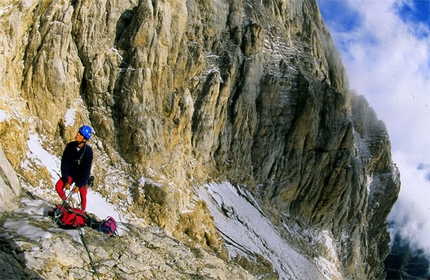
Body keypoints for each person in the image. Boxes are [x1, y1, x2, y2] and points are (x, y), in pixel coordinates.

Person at [55, 125, 93, 211]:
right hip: (71, 174)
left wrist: (78, 185)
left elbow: (86, 171)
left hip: (81, 177)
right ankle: (66, 204)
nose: (77, 134)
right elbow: (65, 164)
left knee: (83, 194)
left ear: (84, 139)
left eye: (80, 134)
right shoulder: (70, 146)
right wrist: (66, 180)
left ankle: (83, 211)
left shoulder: (88, 152)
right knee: (58, 186)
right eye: (78, 132)